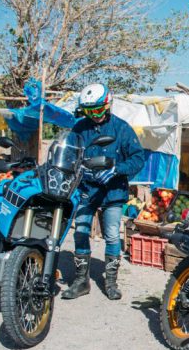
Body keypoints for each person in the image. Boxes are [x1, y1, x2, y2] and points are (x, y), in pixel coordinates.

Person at [62, 83, 145, 301]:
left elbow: (138, 158)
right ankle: (81, 281)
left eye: (99, 110)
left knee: (111, 234)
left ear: (108, 104)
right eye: (90, 111)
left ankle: (111, 282)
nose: (95, 115)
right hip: (87, 189)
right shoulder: (79, 129)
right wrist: (78, 168)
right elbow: (69, 154)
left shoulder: (122, 128)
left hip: (113, 191)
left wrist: (116, 170)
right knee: (80, 231)